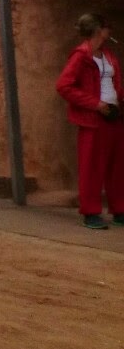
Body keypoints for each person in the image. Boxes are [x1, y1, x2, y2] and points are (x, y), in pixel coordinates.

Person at [56, 13, 124, 229]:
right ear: (99, 30)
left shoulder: (107, 55)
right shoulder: (81, 57)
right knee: (92, 167)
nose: (109, 31)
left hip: (113, 115)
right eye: (106, 27)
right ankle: (91, 212)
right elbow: (64, 86)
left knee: (117, 165)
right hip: (93, 120)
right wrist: (95, 104)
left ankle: (120, 208)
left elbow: (114, 84)